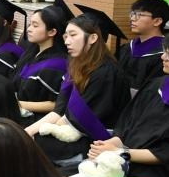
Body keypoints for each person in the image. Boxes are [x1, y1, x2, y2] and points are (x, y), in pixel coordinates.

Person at [27, 13, 131, 164]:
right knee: (26, 136)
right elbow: (60, 110)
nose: (67, 41)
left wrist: (34, 134)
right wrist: (28, 132)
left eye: (73, 35)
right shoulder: (77, 64)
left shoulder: (106, 73)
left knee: (34, 143)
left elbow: (84, 119)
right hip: (73, 130)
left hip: (97, 140)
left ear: (93, 38)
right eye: (66, 36)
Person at [81, 44, 169, 177]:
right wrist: (106, 146)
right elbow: (126, 126)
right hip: (124, 160)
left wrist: (121, 153)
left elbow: (165, 153)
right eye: (165, 51)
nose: (163, 57)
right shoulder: (155, 86)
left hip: (156, 173)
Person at [14, 1, 70, 123]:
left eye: (35, 26)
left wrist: (17, 104)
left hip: (38, 121)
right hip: (19, 114)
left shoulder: (58, 64)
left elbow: (56, 104)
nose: (29, 29)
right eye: (30, 24)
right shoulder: (31, 54)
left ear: (52, 32)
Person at [118, 0, 168, 92]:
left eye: (139, 15)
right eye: (132, 14)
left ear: (157, 21)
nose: (132, 18)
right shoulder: (127, 48)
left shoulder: (163, 56)